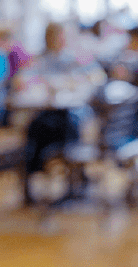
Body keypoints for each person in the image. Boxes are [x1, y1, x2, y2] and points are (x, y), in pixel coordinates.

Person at [16, 22, 104, 203]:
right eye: (57, 37)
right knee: (36, 129)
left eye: (64, 37)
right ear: (48, 38)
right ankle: (34, 181)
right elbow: (21, 80)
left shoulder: (76, 58)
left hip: (75, 112)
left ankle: (73, 182)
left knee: (68, 126)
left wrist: (79, 79)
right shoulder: (39, 58)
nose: (61, 41)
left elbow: (98, 77)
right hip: (46, 111)